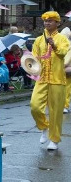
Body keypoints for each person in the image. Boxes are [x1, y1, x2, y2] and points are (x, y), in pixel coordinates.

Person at [30, 11, 70, 150]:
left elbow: (63, 53)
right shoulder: (38, 40)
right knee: (35, 106)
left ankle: (54, 139)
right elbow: (34, 59)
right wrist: (28, 65)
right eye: (46, 21)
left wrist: (54, 46)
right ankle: (43, 126)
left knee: (56, 112)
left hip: (57, 80)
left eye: (50, 21)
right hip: (41, 79)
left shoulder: (63, 39)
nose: (47, 23)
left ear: (57, 23)